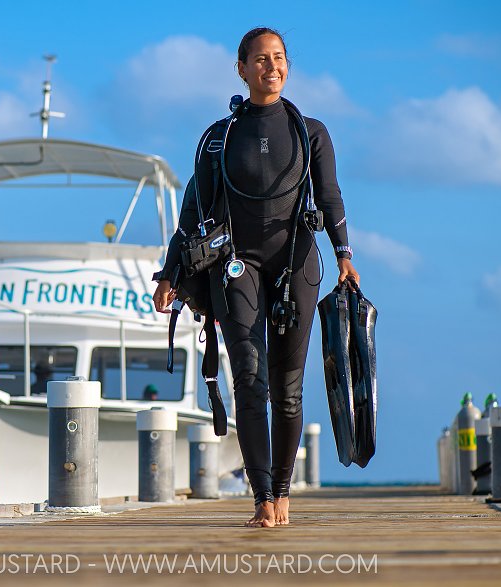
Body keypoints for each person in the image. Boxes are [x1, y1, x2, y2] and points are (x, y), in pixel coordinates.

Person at [152, 27, 359, 528]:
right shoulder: (218, 138)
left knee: (287, 389)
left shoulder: (311, 133)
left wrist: (345, 255)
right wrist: (171, 272)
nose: (272, 67)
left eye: (280, 58)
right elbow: (191, 211)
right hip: (236, 264)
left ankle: (283, 494)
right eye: (261, 59)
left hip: (297, 266)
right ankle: (262, 499)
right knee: (249, 376)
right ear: (241, 68)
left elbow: (329, 198)